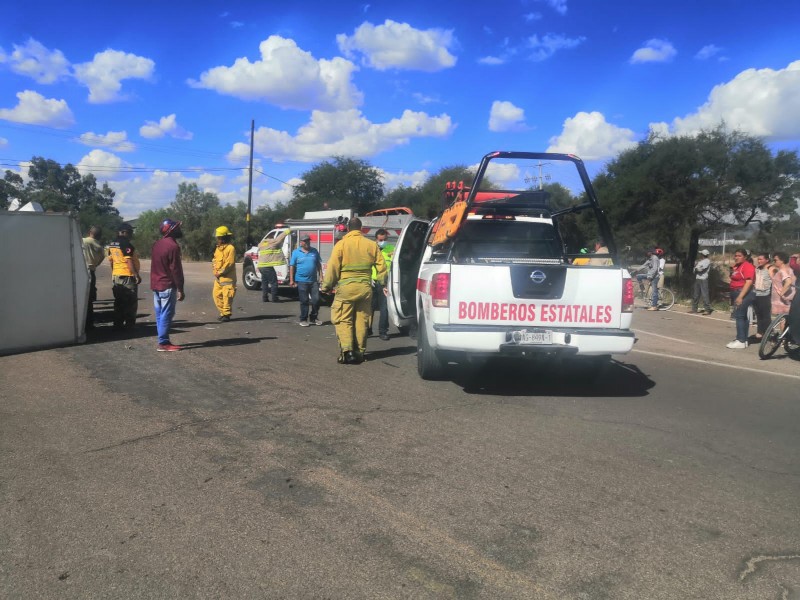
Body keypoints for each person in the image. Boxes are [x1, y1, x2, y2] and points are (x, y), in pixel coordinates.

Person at [320, 217, 387, 365]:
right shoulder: (371, 245)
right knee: (362, 320)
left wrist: (326, 286)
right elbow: (382, 267)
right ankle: (360, 352)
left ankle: (347, 352)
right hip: (365, 289)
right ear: (361, 229)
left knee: (344, 319)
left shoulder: (341, 244)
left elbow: (332, 267)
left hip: (346, 288)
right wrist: (383, 283)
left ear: (348, 229)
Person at [150, 219, 185, 351]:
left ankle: (162, 341)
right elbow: (176, 270)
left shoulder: (156, 244)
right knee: (166, 314)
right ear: (171, 230)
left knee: (160, 314)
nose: (179, 229)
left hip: (156, 284)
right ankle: (163, 343)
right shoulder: (173, 246)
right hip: (167, 285)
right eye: (177, 228)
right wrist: (180, 289)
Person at [107, 222, 141, 330]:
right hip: (127, 276)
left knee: (119, 301)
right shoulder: (126, 244)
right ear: (124, 232)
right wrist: (136, 275)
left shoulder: (112, 244)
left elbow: (111, 261)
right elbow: (128, 260)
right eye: (130, 232)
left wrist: (114, 272)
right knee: (130, 301)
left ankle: (118, 323)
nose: (131, 234)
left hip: (116, 275)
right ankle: (129, 325)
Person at [289, 234, 323, 326]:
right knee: (304, 301)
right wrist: (291, 280)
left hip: (313, 280)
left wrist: (321, 276)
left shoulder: (314, 251)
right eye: (305, 241)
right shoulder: (296, 252)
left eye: (308, 240)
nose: (307, 242)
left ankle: (313, 318)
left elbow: (318, 264)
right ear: (301, 243)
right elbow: (292, 266)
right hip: (301, 280)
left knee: (316, 300)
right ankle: (303, 319)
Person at [726, 248, 756, 349]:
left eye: (739, 256)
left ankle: (741, 340)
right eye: (736, 255)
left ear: (745, 257)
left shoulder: (747, 266)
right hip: (736, 291)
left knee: (739, 316)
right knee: (743, 316)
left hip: (743, 293)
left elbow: (749, 282)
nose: (737, 257)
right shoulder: (737, 266)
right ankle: (743, 338)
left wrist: (740, 296)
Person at [257, 227, 291, 303]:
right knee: (274, 282)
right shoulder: (272, 243)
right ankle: (274, 298)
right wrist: (288, 231)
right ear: (271, 239)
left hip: (261, 266)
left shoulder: (262, 244)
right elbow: (280, 238)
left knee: (264, 282)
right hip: (267, 266)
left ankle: (265, 297)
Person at [81, 226, 105, 329]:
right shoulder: (99, 246)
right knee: (89, 298)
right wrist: (94, 265)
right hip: (91, 271)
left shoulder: (82, 241)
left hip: (81, 271)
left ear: (90, 232)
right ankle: (89, 322)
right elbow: (101, 259)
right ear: (99, 235)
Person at [212, 225, 236, 322]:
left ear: (223, 238)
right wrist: (215, 271)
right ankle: (222, 313)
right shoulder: (218, 248)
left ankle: (226, 314)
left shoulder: (230, 248)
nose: (217, 239)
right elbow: (214, 260)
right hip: (218, 278)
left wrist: (220, 272)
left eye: (218, 237)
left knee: (227, 297)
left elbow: (229, 263)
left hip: (228, 279)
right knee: (216, 295)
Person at [768, 251, 796, 317]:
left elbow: (788, 282)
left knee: (780, 319)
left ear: (782, 261)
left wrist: (781, 293)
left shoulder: (782, 271)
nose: (774, 262)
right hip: (786, 301)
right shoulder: (789, 269)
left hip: (781, 302)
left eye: (775, 260)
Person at [752, 252, 772, 339]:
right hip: (756, 294)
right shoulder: (757, 268)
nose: (759, 261)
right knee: (758, 314)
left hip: (765, 295)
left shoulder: (770, 268)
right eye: (758, 259)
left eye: (761, 259)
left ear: (767, 260)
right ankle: (760, 332)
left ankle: (769, 334)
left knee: (765, 316)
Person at [690, 249, 713, 315]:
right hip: (698, 278)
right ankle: (694, 309)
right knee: (695, 295)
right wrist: (696, 269)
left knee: (705, 295)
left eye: (701, 254)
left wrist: (696, 269)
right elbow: (695, 269)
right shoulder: (700, 261)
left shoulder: (707, 261)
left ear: (703, 254)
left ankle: (707, 310)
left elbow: (700, 269)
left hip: (703, 279)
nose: (700, 255)